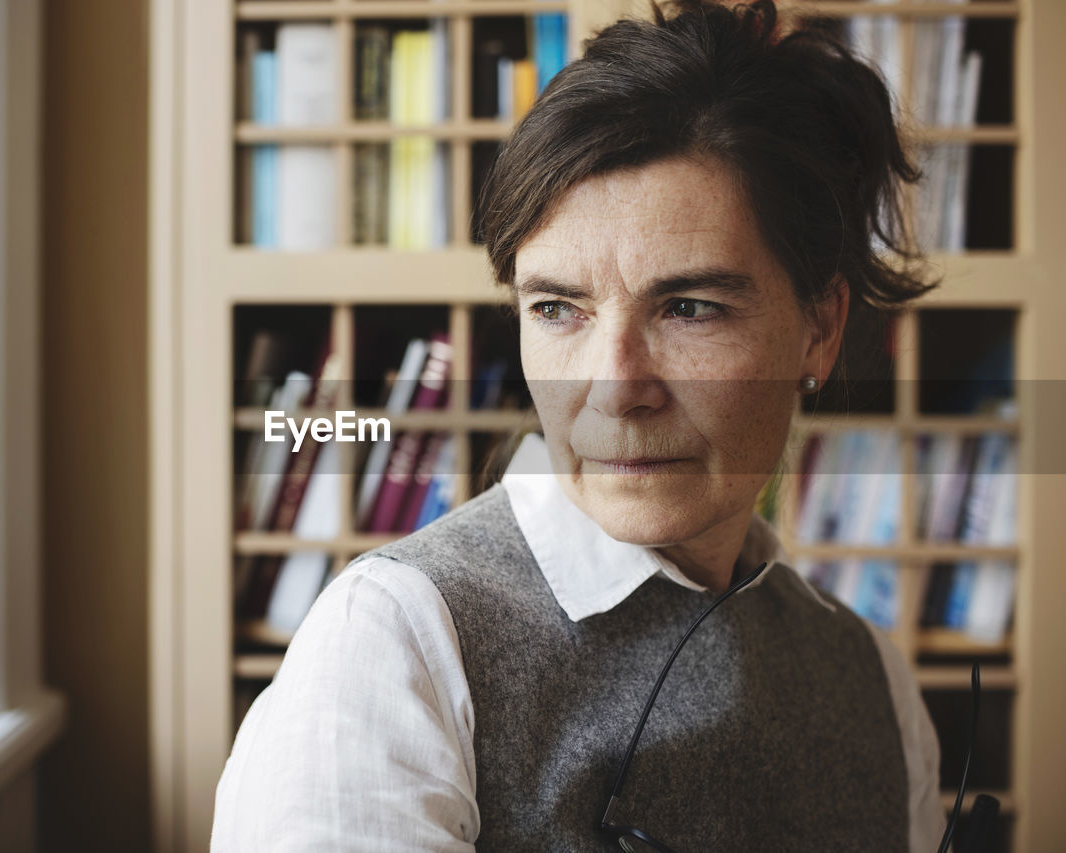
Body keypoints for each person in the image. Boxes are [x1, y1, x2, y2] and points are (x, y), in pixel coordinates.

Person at [212, 1, 946, 849]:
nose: (616, 387)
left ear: (818, 327)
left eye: (690, 307)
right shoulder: (392, 646)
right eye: (558, 308)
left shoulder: (873, 685)